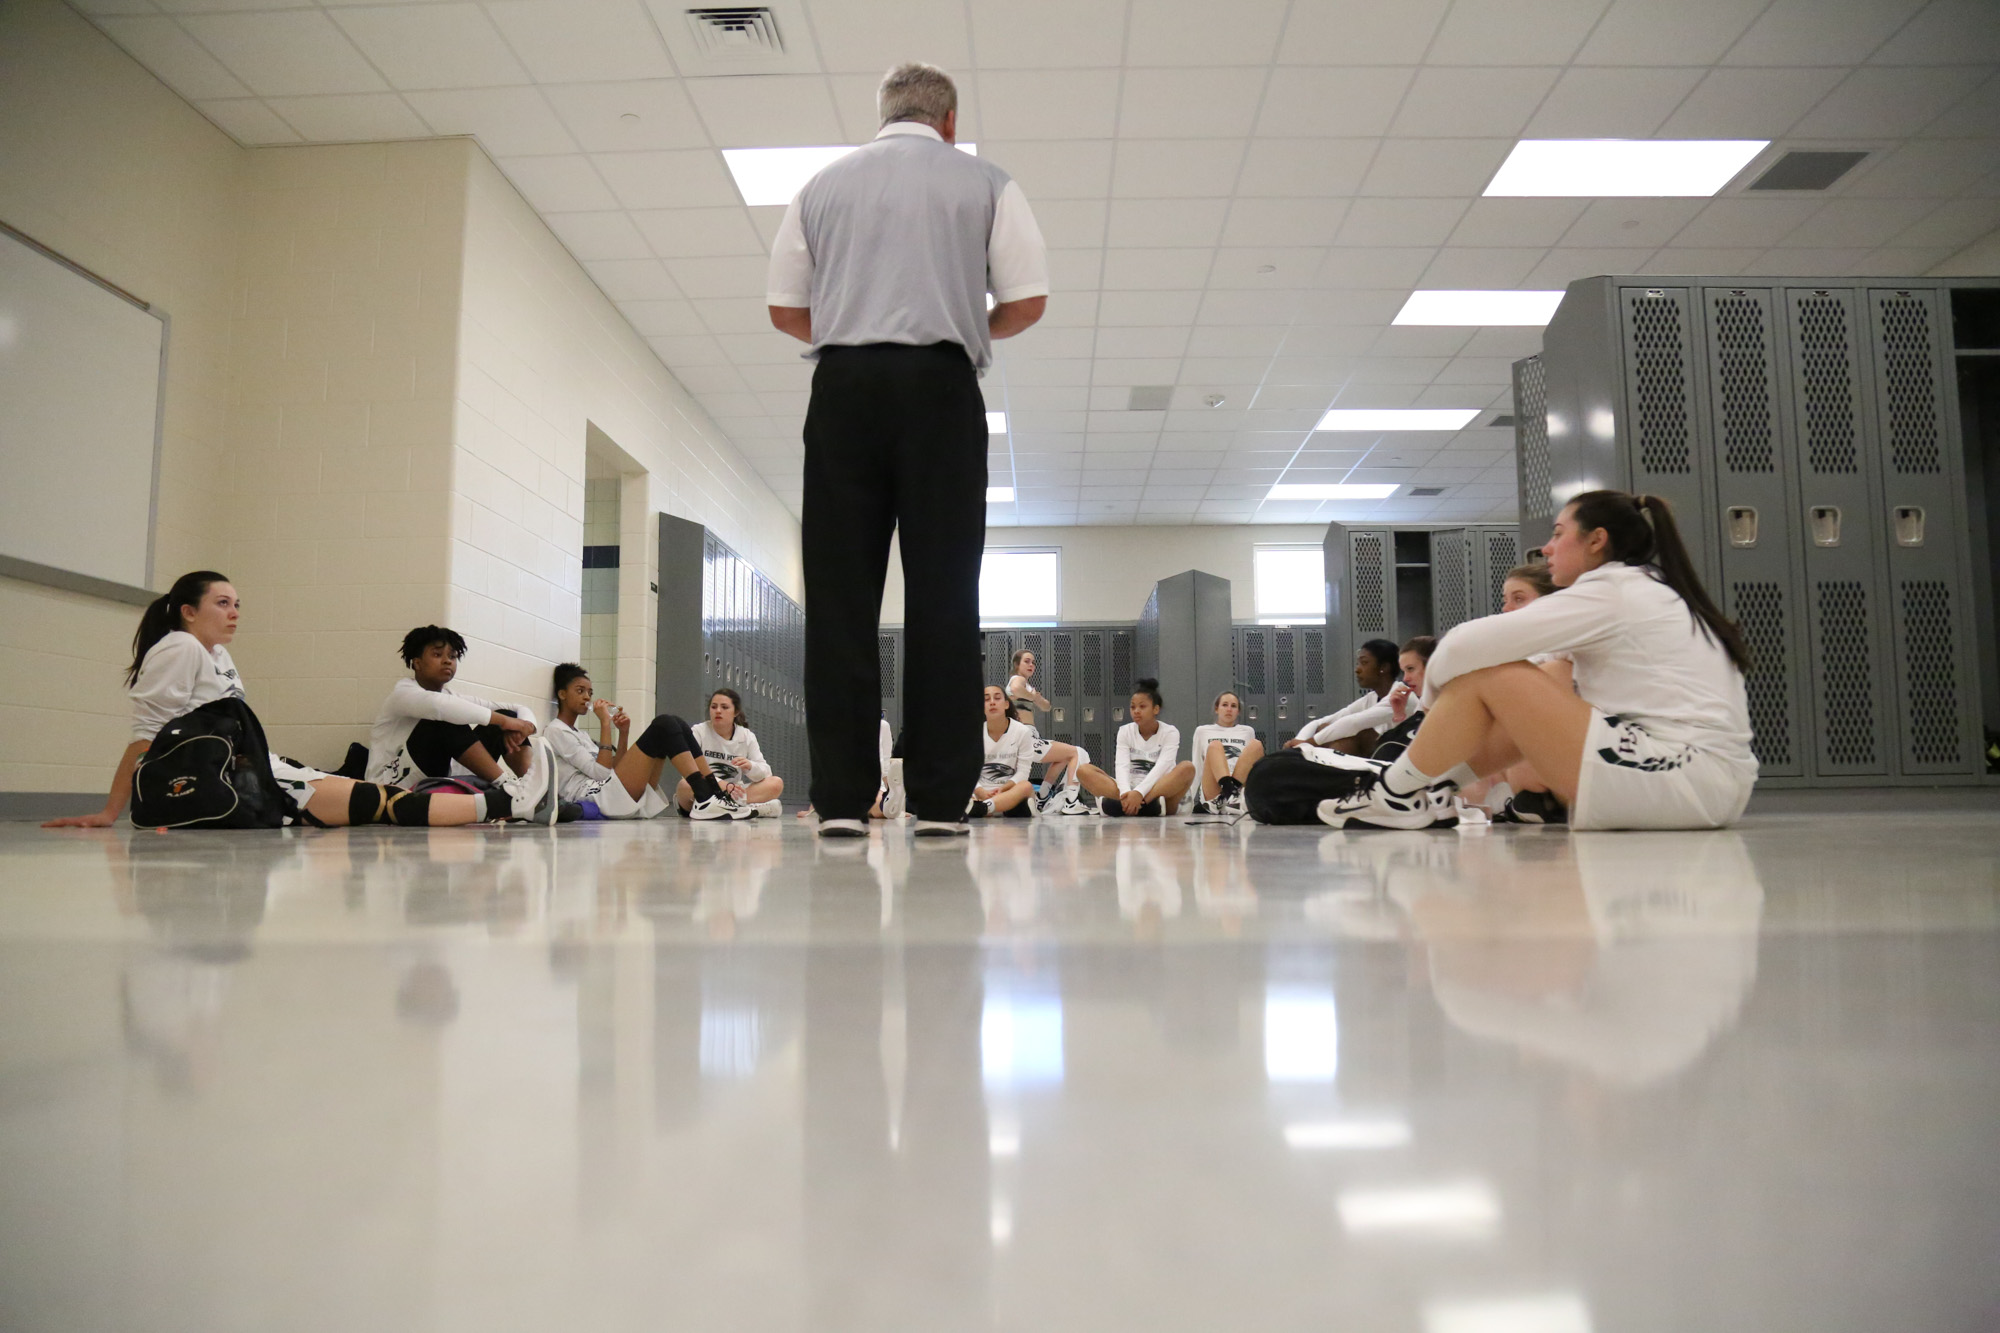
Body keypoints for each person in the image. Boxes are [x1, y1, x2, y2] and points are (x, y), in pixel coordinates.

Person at [765, 61, 1048, 841]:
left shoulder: (819, 187)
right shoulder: (988, 182)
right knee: (945, 598)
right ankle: (935, 800)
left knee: (841, 601)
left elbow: (785, 308)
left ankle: (847, 800)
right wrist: (956, 328)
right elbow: (1026, 300)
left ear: (883, 113)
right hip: (941, 390)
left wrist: (852, 333)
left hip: (845, 390)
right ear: (949, 120)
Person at [1319, 491, 1757, 832]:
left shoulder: (1614, 590)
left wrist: (1431, 711)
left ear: (1597, 540)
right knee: (1547, 676)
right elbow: (1534, 690)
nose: (1546, 548)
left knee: (1495, 675)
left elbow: (1459, 647)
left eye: (1558, 533)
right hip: (1710, 782)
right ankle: (1428, 787)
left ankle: (1394, 793)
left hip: (1684, 778)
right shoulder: (1644, 588)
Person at [44, 572, 523, 830]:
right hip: (221, 780)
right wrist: (115, 810)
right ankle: (514, 802)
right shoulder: (180, 646)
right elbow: (147, 736)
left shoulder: (217, 653)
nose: (234, 613)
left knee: (372, 807)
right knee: (381, 803)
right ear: (188, 612)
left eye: (237, 604)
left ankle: (515, 803)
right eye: (222, 603)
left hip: (253, 770)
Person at [367, 626, 548, 811]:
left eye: (452, 657)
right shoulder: (403, 693)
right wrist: (503, 721)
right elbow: (440, 707)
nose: (447, 661)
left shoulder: (450, 697)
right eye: (437, 655)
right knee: (446, 718)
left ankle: (534, 789)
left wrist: (526, 726)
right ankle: (512, 790)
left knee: (505, 717)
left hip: (438, 778)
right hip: (390, 785)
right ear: (417, 663)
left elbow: (518, 709)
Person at [546, 665, 748, 820]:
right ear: (562, 694)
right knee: (663, 724)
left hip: (608, 788)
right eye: (580, 691)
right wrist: (605, 723)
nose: (587, 697)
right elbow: (601, 772)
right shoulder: (556, 731)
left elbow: (615, 767)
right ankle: (704, 798)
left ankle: (712, 792)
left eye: (589, 692)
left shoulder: (579, 734)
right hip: (596, 797)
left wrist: (623, 734)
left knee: (676, 723)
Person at [1075, 678, 1196, 817]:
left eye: (1142, 707)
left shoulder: (1170, 732)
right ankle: (1140, 807)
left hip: (1158, 791)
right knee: (1083, 770)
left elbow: (1163, 766)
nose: (1136, 711)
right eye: (1133, 707)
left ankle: (1126, 807)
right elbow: (1122, 766)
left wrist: (1140, 794)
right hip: (1129, 790)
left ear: (1156, 709)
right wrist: (1127, 793)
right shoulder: (1125, 731)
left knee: (1187, 768)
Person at [1003, 647, 1090, 814]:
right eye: (1026, 661)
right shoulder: (1017, 679)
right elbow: (1015, 689)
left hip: (1030, 735)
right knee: (1076, 752)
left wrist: (1036, 698)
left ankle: (1042, 797)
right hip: (1025, 737)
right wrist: (1034, 697)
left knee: (1063, 757)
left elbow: (1047, 706)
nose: (1031, 665)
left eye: (1033, 662)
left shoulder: (1027, 685)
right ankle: (1071, 802)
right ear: (1016, 664)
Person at [1286, 639, 1402, 755]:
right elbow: (1322, 722)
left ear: (1384, 667)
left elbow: (1353, 723)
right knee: (1324, 727)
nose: (1357, 669)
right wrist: (1300, 740)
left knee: (1346, 739)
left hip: (1395, 762)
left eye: (1364, 663)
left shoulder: (1401, 696)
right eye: (1358, 663)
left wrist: (1307, 744)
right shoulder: (1371, 698)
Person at [682, 688, 785, 817]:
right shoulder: (699, 731)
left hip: (734, 792)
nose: (718, 711)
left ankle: (728, 807)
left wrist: (750, 766)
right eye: (714, 707)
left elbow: (766, 772)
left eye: (724, 707)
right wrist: (723, 785)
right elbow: (691, 769)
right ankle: (744, 808)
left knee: (776, 783)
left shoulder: (746, 736)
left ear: (735, 712)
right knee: (685, 785)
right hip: (707, 788)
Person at [967, 685, 1037, 819]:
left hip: (1010, 791)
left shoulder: (1022, 732)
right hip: (979, 791)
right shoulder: (973, 733)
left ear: (1006, 704)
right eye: (986, 700)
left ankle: (983, 808)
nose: (992, 702)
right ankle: (1003, 808)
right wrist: (980, 791)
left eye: (997, 698)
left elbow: (1023, 771)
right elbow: (968, 771)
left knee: (1026, 786)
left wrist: (1004, 788)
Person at [1188, 691, 1263, 815]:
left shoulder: (1247, 731)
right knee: (1215, 745)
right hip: (1214, 789)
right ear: (1217, 709)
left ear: (1238, 711)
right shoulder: (1202, 731)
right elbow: (1197, 764)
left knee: (1256, 745)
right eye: (1225, 705)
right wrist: (1189, 802)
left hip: (1238, 784)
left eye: (1233, 706)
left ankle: (1233, 797)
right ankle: (1227, 795)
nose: (1229, 709)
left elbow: (1252, 766)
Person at [1371, 635, 1437, 762]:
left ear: (1432, 667)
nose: (1405, 678)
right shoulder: (1423, 703)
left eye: (1410, 669)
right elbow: (1394, 748)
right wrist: (1399, 717)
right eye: (1404, 671)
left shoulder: (1453, 704)